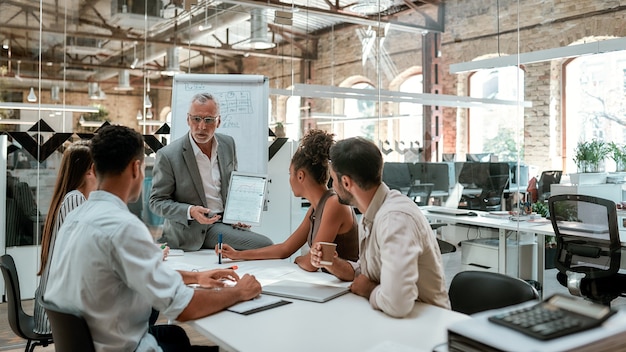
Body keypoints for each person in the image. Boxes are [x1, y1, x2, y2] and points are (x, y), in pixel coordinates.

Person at [45, 125, 262, 352]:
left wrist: (195, 277)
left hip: (95, 341)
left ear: (94, 168)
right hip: (125, 346)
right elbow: (184, 307)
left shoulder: (76, 218)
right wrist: (239, 291)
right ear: (136, 168)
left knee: (174, 335)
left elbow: (135, 273)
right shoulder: (123, 227)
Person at [309, 137, 450, 318]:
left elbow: (397, 303)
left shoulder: (395, 220)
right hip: (397, 319)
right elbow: (367, 273)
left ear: (346, 182)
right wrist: (333, 263)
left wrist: (369, 290)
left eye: (333, 180)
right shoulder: (371, 214)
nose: (332, 186)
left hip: (425, 323)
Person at [218, 129, 358, 271]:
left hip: (345, 288)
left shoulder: (333, 204)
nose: (289, 179)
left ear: (300, 176)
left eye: (290, 173)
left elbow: (312, 263)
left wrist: (298, 259)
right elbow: (285, 249)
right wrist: (237, 254)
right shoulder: (317, 207)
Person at [150, 93, 273, 251]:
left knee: (259, 246)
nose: (202, 126)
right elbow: (156, 202)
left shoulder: (228, 143)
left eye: (209, 120)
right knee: (265, 245)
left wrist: (238, 214)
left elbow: (231, 186)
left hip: (226, 222)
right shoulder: (168, 155)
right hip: (193, 230)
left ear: (218, 121)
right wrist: (190, 211)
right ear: (188, 119)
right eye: (196, 119)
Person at [33, 140, 97, 335]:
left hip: (59, 308)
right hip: (59, 315)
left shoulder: (73, 198)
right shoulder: (75, 199)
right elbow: (82, 257)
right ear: (90, 170)